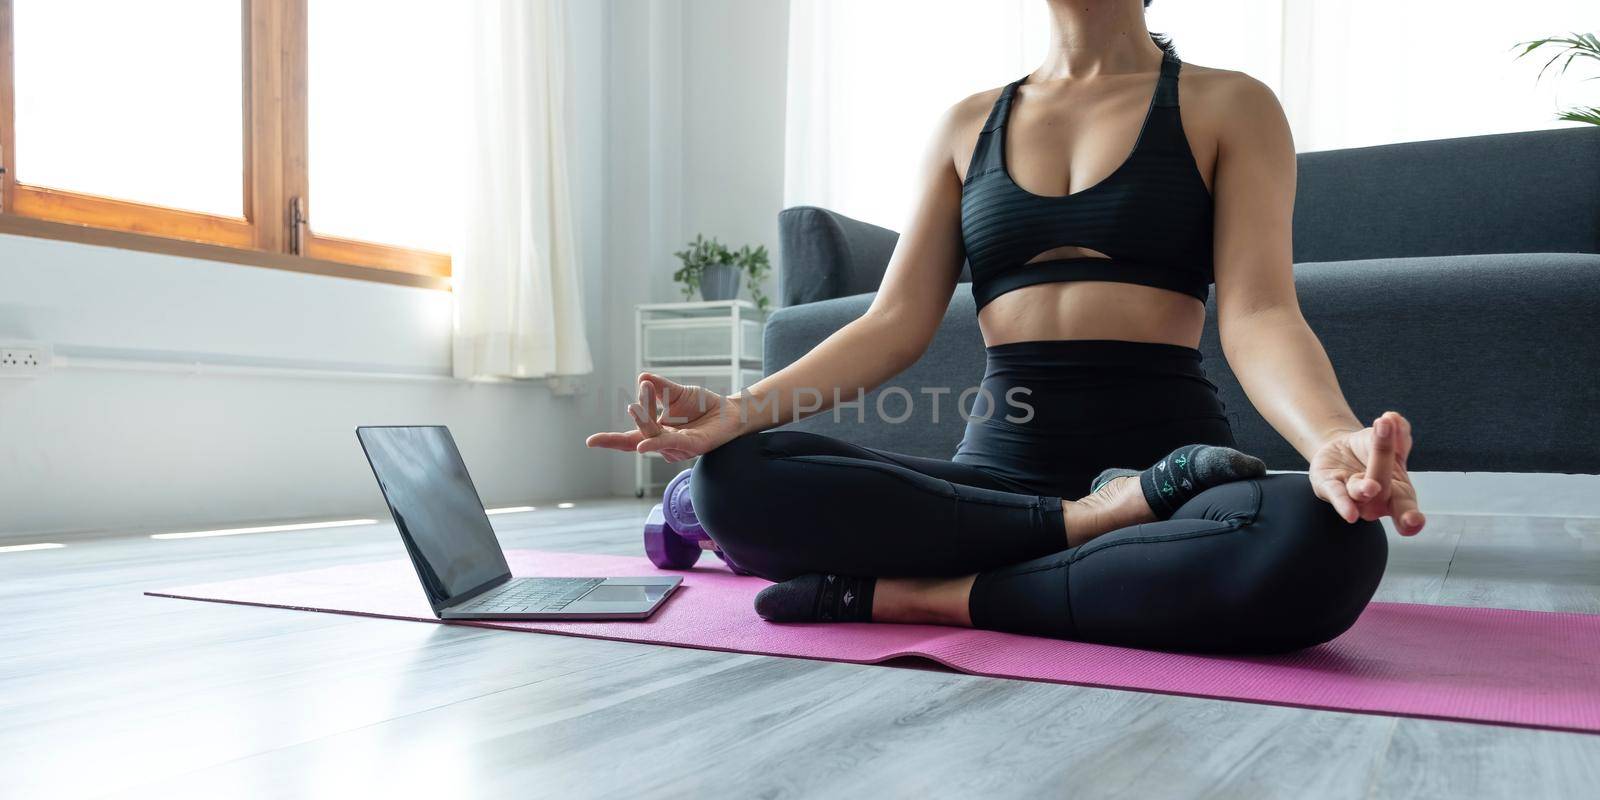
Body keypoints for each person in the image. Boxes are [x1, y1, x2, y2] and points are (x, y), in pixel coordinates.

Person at [588, 0, 1425, 655]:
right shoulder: (967, 123)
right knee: (733, 482)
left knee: (1329, 544)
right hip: (995, 485)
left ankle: (918, 594)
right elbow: (893, 324)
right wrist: (740, 411)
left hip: (1171, 480)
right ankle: (1081, 533)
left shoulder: (1229, 105)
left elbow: (1260, 312)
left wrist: (1327, 438)